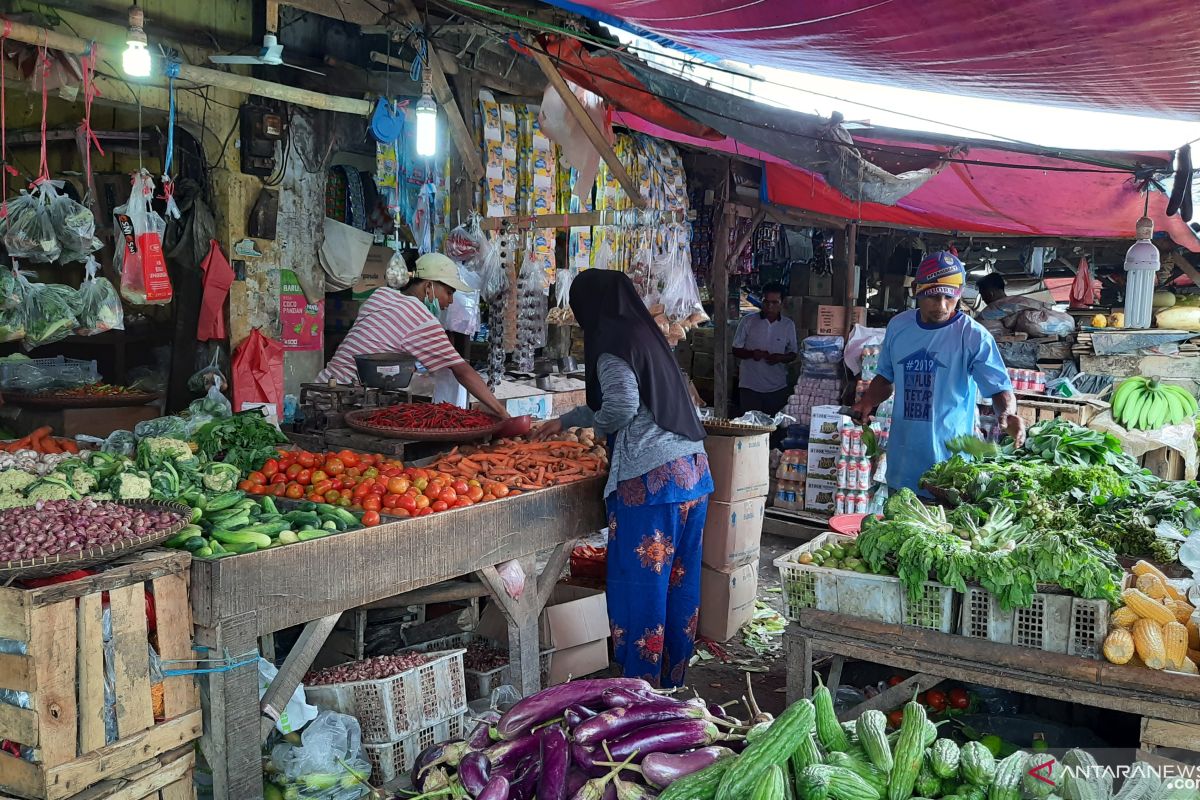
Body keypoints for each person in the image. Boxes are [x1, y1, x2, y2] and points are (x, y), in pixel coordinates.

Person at [534, 270, 711, 688]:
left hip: (651, 482)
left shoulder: (612, 344)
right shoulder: (644, 332)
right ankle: (671, 684)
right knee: (679, 582)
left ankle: (637, 691)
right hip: (693, 473)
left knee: (640, 589)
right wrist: (565, 420)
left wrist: (597, 425)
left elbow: (622, 406)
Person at [853, 251, 1025, 494]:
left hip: (950, 470)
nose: (942, 306)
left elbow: (998, 389)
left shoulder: (974, 336)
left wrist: (1007, 413)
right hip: (903, 463)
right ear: (916, 290)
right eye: (933, 297)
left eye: (949, 297)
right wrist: (868, 401)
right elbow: (886, 377)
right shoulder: (899, 327)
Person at [317, 252, 509, 419]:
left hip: (319, 389)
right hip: (343, 404)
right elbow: (462, 371)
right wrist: (502, 412)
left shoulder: (380, 295)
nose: (450, 301)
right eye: (449, 292)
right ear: (428, 286)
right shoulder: (422, 320)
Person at [732, 283, 797, 414]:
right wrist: (752, 354)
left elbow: (793, 353)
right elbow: (735, 350)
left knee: (774, 427)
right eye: (766, 302)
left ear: (782, 303)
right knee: (749, 427)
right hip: (750, 386)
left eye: (775, 302)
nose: (770, 306)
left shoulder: (788, 325)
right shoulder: (748, 321)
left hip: (776, 387)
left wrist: (780, 358)